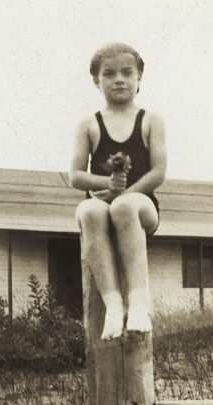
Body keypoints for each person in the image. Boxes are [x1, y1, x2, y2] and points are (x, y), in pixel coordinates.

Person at [69, 43, 167, 340]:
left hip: (141, 207)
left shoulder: (151, 120)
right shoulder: (89, 124)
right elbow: (75, 176)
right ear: (96, 81)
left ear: (139, 78)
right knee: (88, 210)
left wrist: (123, 195)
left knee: (122, 208)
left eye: (127, 72)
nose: (119, 79)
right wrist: (106, 186)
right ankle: (113, 305)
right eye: (109, 74)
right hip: (101, 205)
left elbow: (158, 172)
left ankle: (138, 302)